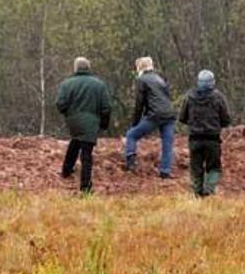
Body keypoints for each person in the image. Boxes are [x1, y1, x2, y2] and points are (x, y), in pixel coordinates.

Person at [56, 57, 112, 193]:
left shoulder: (66, 84)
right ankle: (86, 187)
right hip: (91, 123)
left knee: (76, 141)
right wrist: (103, 124)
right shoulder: (99, 85)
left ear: (75, 68)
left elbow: (60, 104)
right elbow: (106, 108)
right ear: (89, 67)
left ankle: (66, 170)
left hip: (73, 122)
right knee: (86, 154)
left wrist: (69, 115)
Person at [178, 70, 231, 197]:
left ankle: (197, 192)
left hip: (194, 139)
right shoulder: (218, 97)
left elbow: (182, 117)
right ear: (212, 82)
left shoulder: (189, 96)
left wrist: (193, 124)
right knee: (214, 167)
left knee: (196, 167)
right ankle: (209, 190)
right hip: (213, 139)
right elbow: (226, 119)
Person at [124, 57, 176, 178]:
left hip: (155, 115)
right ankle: (165, 171)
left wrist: (135, 122)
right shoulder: (160, 78)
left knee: (131, 134)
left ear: (139, 67)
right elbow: (167, 97)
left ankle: (130, 161)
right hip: (169, 114)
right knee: (167, 144)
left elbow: (139, 103)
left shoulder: (141, 80)